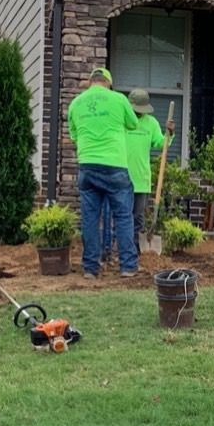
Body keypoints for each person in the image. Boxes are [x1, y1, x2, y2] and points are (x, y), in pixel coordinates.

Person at [66, 66, 140, 277]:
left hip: (88, 166)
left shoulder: (75, 104)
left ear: (91, 82)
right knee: (123, 216)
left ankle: (90, 268)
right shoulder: (118, 99)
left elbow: (74, 136)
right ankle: (127, 267)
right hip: (115, 166)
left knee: (90, 218)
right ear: (108, 83)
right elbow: (133, 124)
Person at [123, 89, 174, 253]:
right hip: (121, 177)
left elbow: (161, 143)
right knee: (123, 216)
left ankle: (136, 250)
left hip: (141, 178)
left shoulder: (151, 123)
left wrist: (169, 133)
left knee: (138, 217)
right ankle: (122, 249)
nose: (139, 112)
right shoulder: (122, 120)